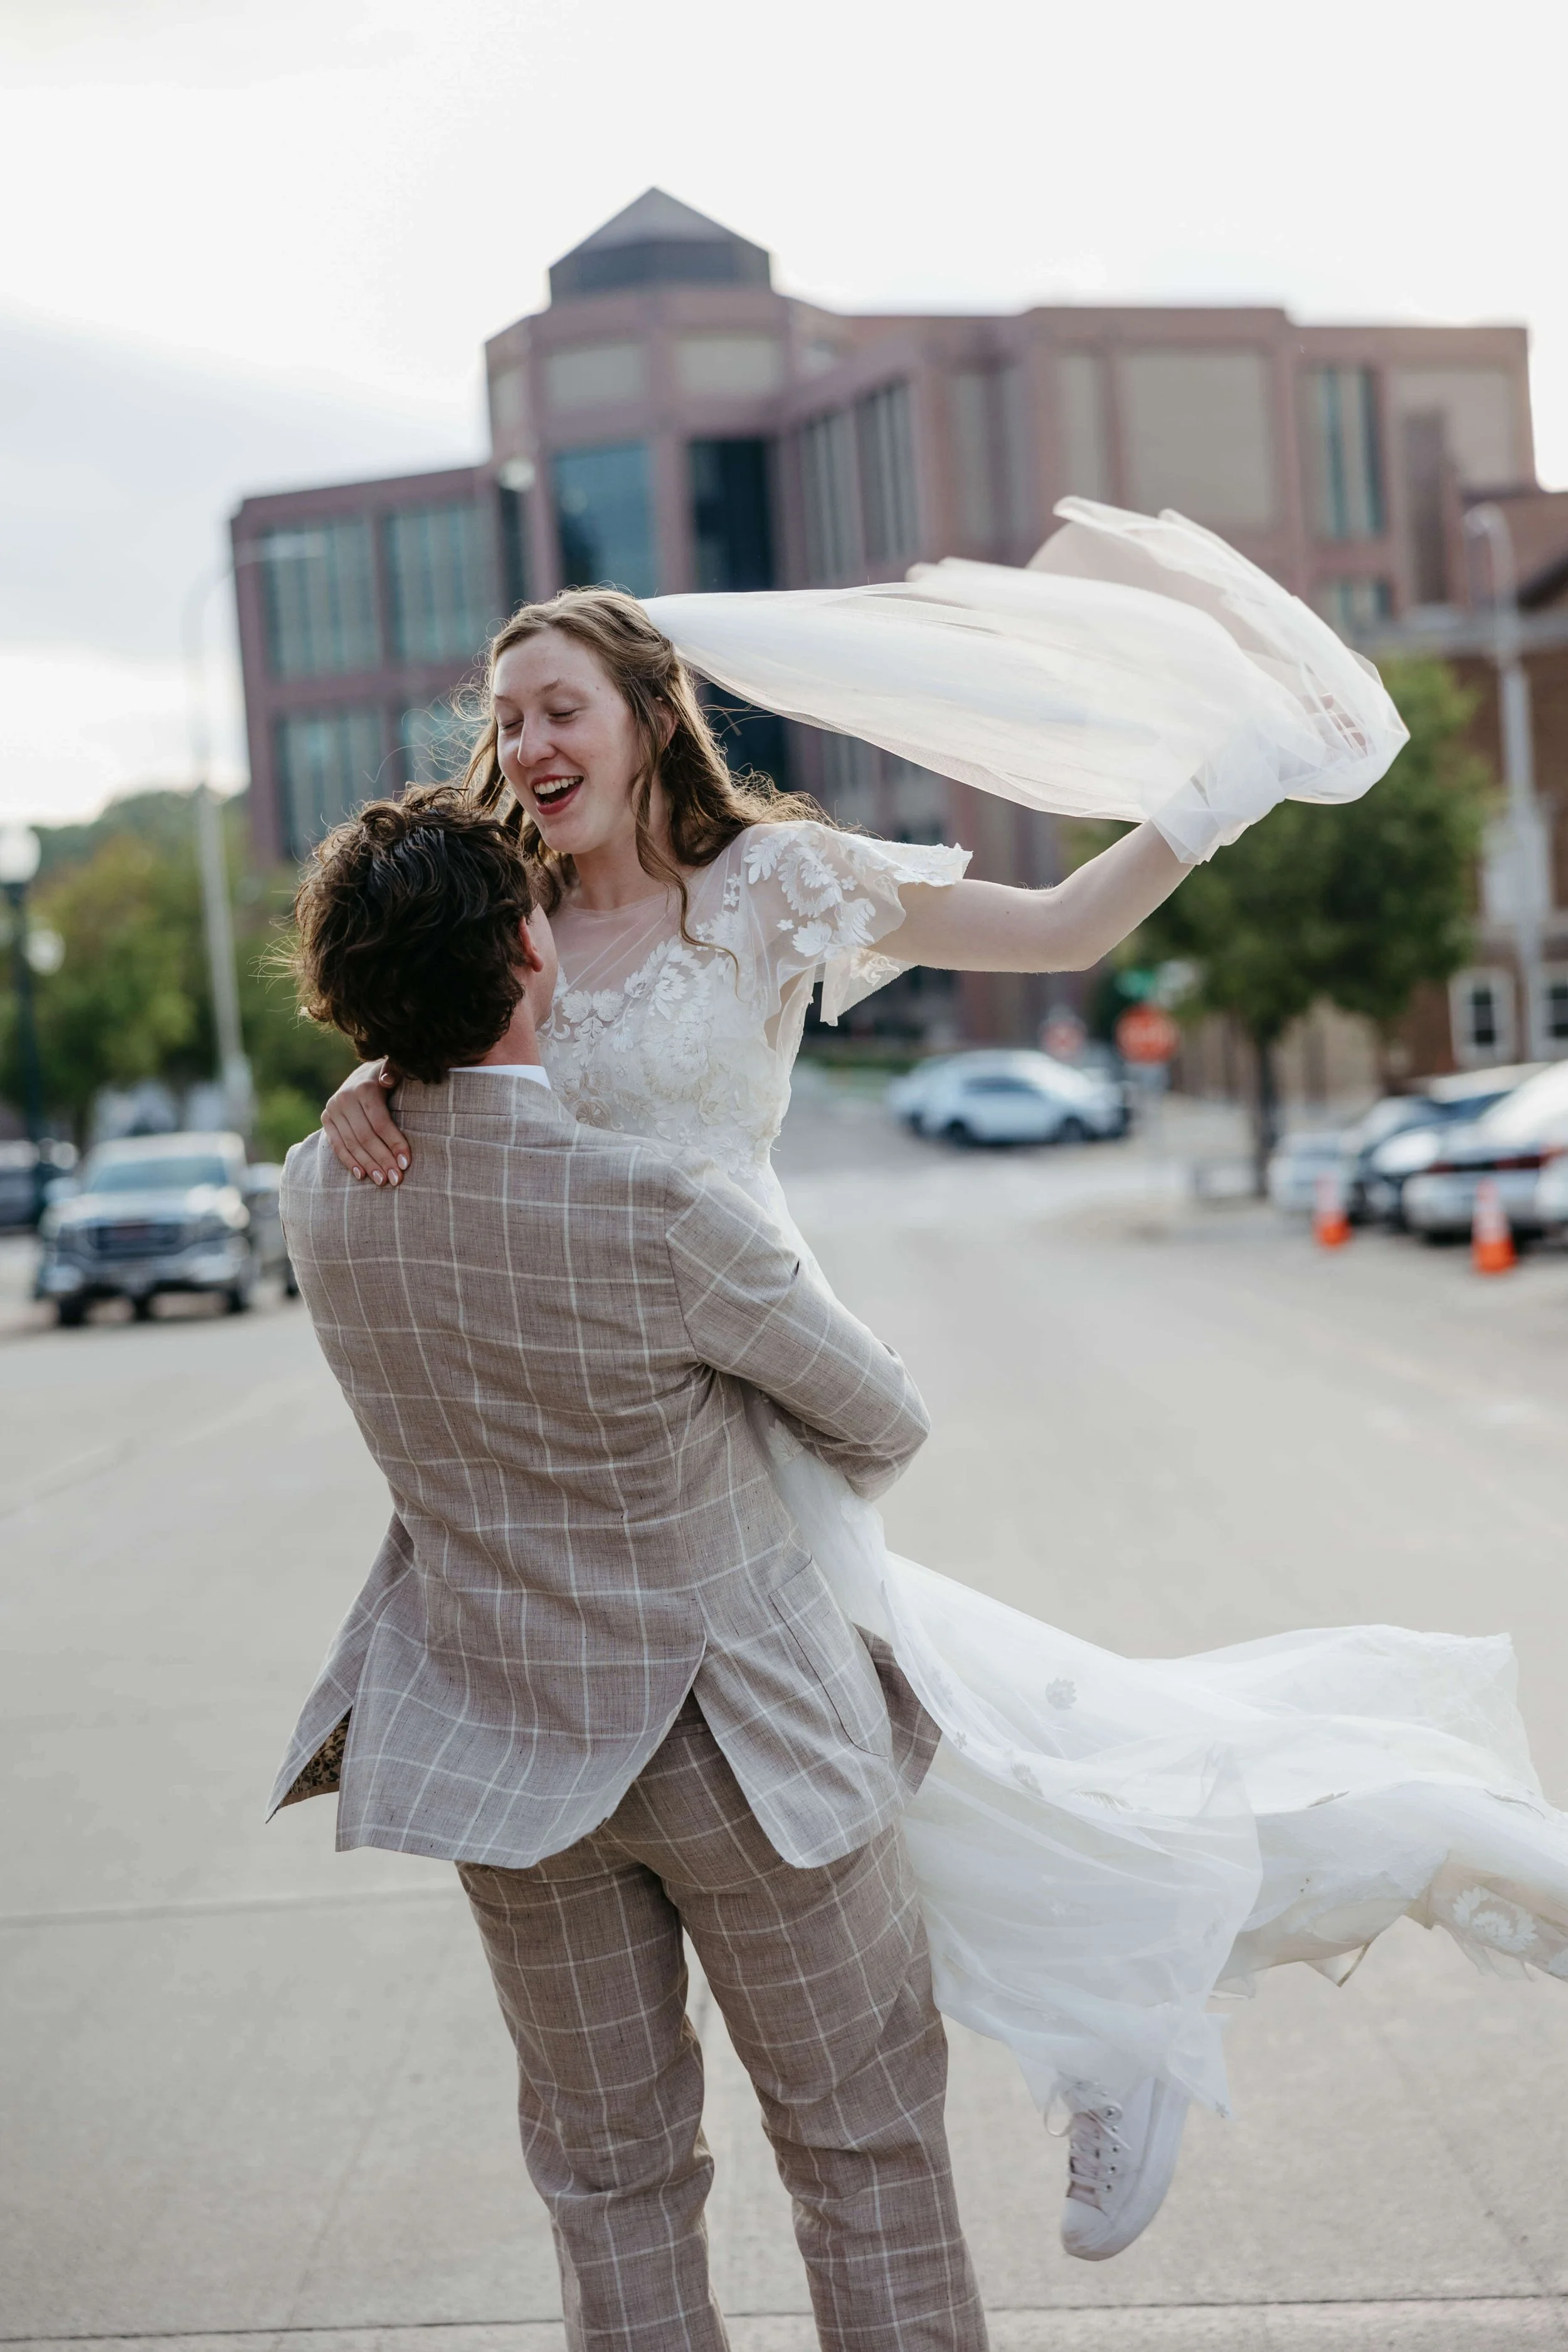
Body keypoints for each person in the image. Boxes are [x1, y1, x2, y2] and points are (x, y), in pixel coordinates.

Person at [320, 524, 1568, 2263]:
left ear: (646, 714)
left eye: (560, 707)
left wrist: (1207, 802)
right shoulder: (503, 918)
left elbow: (1057, 929)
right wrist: (365, 1088)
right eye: (508, 715)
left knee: (874, 1763)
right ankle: (1117, 2012)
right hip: (601, 1413)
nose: (529, 745)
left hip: (757, 1368)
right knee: (909, 1752)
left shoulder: (769, 883)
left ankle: (1112, 2022)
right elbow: (445, 1059)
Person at [273, 788, 989, 2351]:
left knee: (608, 2183)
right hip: (747, 1751)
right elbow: (881, 1419)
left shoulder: (318, 1191)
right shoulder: (657, 1209)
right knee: (862, 2152)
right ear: (530, 952)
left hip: (502, 1755)